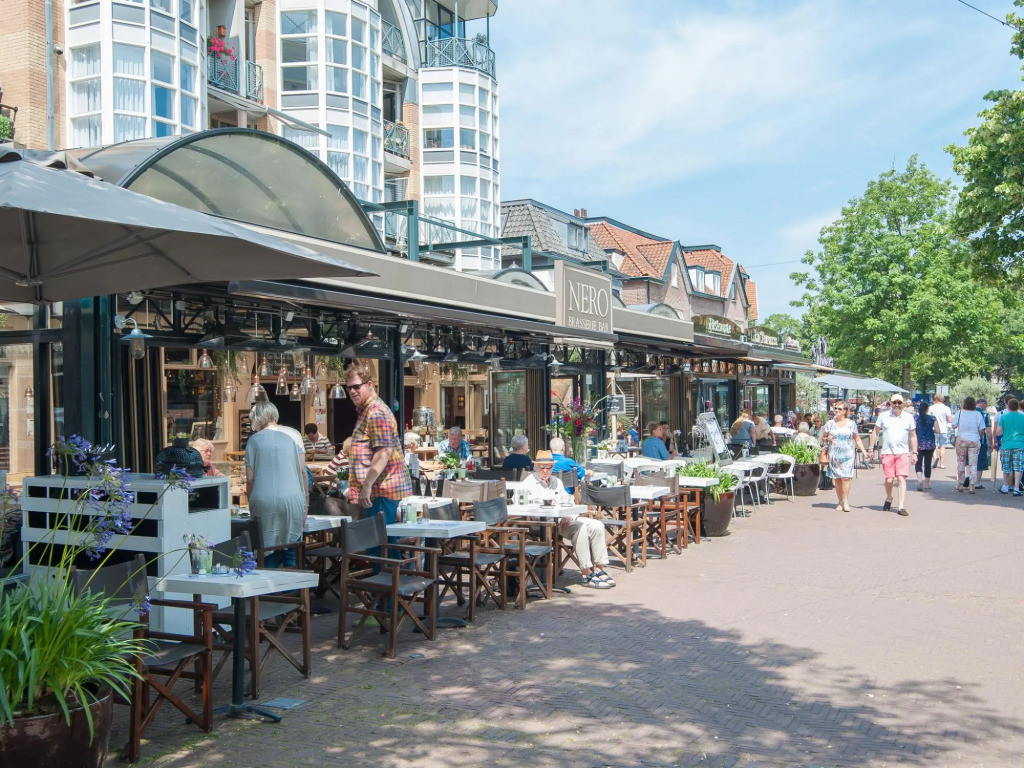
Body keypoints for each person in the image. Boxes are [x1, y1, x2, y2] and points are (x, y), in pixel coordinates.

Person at [521, 450, 615, 589]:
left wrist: (570, 516)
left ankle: (600, 569)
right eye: (542, 467)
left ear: (553, 467)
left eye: (549, 467)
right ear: (535, 466)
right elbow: (524, 506)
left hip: (564, 520)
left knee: (597, 525)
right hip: (544, 523)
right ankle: (586, 574)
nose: (545, 470)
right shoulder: (528, 482)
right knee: (580, 528)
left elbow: (569, 502)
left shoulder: (556, 481)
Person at [345, 364, 412, 528]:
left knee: (380, 540)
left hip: (381, 491)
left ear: (369, 384)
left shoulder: (375, 411)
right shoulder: (367, 410)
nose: (352, 391)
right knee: (381, 540)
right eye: (349, 388)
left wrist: (367, 486)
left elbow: (384, 452)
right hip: (378, 492)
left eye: (356, 386)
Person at [245, 401, 307, 567]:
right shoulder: (293, 435)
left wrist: (251, 503)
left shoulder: (253, 441)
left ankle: (269, 582)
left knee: (267, 551)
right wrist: (305, 503)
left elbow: (250, 479)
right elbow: (302, 472)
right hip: (293, 498)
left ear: (256, 419)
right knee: (292, 551)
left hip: (263, 499)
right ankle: (294, 582)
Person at [871, 394, 917, 516]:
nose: (897, 405)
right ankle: (889, 497)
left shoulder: (908, 417)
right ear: (890, 403)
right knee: (889, 479)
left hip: (903, 452)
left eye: (899, 402)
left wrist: (914, 452)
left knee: (901, 478)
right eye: (894, 402)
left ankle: (901, 506)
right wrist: (871, 448)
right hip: (887, 452)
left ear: (903, 404)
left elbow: (913, 436)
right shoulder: (883, 416)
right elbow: (875, 431)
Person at [822, 402, 865, 512]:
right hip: (834, 455)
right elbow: (823, 437)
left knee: (845, 478)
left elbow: (857, 438)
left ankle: (845, 501)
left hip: (848, 455)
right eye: (835, 408)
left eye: (839, 409)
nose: (836, 410)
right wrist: (827, 439)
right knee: (837, 479)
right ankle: (840, 501)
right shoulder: (829, 424)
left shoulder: (851, 424)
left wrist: (864, 452)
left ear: (845, 411)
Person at [953, 396, 987, 494]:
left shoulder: (959, 413)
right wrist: (978, 437)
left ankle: (960, 484)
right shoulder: (978, 414)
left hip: (961, 439)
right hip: (974, 439)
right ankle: (972, 486)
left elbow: (954, 425)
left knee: (961, 462)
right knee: (973, 464)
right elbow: (981, 429)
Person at [997, 398, 1024, 496]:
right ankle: (1016, 488)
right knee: (1018, 467)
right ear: (1018, 406)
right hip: (1020, 444)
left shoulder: (1004, 417)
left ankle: (1005, 486)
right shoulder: (1023, 416)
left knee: (1006, 466)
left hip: (1006, 445)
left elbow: (998, 432)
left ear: (1008, 406)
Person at [913, 401, 937, 491]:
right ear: (927, 409)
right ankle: (927, 484)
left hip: (918, 443)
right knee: (928, 463)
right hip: (930, 443)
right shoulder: (932, 418)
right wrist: (930, 430)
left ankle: (920, 480)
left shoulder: (915, 418)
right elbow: (938, 430)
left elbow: (912, 430)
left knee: (918, 463)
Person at [930, 394, 953, 469]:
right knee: (942, 446)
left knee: (933, 446)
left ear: (936, 399)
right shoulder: (946, 408)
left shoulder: (931, 408)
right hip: (943, 429)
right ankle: (942, 464)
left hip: (933, 429)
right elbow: (950, 420)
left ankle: (935, 459)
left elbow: (928, 418)